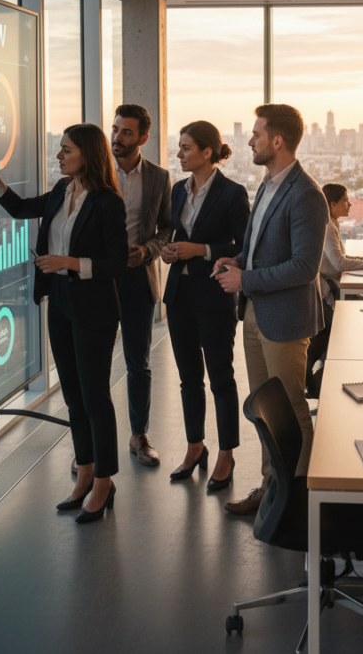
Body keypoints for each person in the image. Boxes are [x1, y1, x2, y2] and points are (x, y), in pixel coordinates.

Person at [0, 123, 126, 524]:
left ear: (87, 154)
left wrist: (68, 263)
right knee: (72, 396)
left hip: (93, 307)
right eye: (59, 150)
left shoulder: (108, 202)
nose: (59, 156)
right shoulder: (61, 190)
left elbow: (117, 263)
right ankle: (85, 471)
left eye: (66, 150)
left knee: (95, 398)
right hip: (59, 302)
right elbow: (23, 209)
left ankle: (105, 482)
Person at [214, 104, 329, 516]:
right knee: (267, 411)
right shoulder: (267, 184)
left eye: (257, 134)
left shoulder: (307, 195)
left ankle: (299, 499)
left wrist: (245, 280)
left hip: (285, 320)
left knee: (292, 409)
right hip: (256, 314)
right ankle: (271, 487)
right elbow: (261, 245)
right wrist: (238, 261)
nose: (249, 140)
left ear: (277, 141)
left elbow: (304, 266)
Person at [161, 121, 251, 492]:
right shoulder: (179, 190)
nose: (179, 154)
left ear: (207, 152)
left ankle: (226, 452)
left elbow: (245, 248)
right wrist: (171, 251)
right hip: (179, 295)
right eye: (179, 148)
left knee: (221, 379)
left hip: (214, 295)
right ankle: (195, 445)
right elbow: (176, 236)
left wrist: (201, 251)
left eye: (185, 148)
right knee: (188, 379)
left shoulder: (232, 193)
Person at [110, 104, 172, 467]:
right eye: (115, 129)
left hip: (138, 280)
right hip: (99, 281)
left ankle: (139, 435)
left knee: (138, 363)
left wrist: (148, 251)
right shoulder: (95, 171)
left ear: (143, 138)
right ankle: (90, 449)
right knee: (96, 366)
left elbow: (166, 228)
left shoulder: (160, 178)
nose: (117, 137)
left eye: (126, 132)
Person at [305, 183, 363, 395]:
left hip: (334, 289)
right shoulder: (327, 226)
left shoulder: (332, 223)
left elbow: (341, 261)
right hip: (330, 295)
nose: (350, 204)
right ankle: (321, 383)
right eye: (346, 200)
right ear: (333, 204)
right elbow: (339, 264)